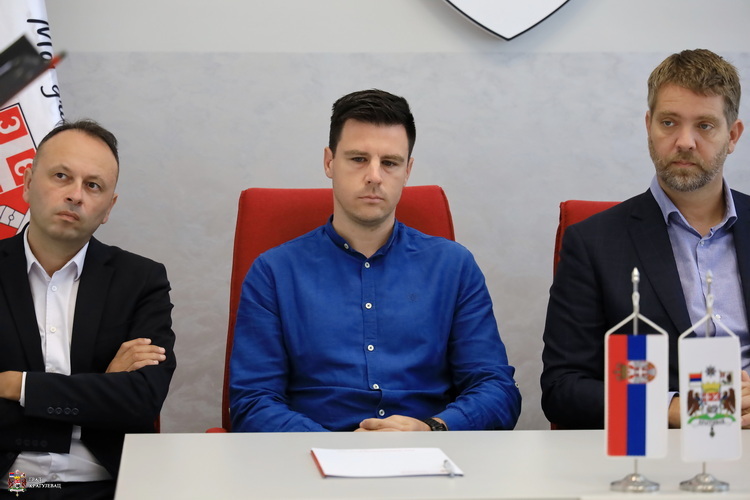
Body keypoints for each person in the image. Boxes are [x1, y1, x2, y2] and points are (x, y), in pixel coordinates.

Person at [230, 89, 521, 432]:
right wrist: (338, 449)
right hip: (311, 453)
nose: (374, 176)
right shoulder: (273, 272)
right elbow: (253, 401)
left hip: (428, 451)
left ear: (407, 170)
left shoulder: (454, 267)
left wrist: (432, 428)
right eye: (358, 159)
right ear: (329, 162)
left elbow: (497, 389)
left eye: (390, 162)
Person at [541, 49, 750, 430]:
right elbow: (563, 389)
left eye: (705, 125)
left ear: (732, 135)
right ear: (649, 126)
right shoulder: (593, 243)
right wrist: (677, 408)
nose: (685, 141)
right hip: (661, 442)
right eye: (669, 122)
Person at [0, 120, 176, 499]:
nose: (76, 195)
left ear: (109, 207)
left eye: (93, 185)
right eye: (61, 176)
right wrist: (102, 386)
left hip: (107, 486)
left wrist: (16, 385)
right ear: (27, 183)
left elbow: (141, 401)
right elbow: (118, 400)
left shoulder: (141, 280)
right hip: (8, 485)